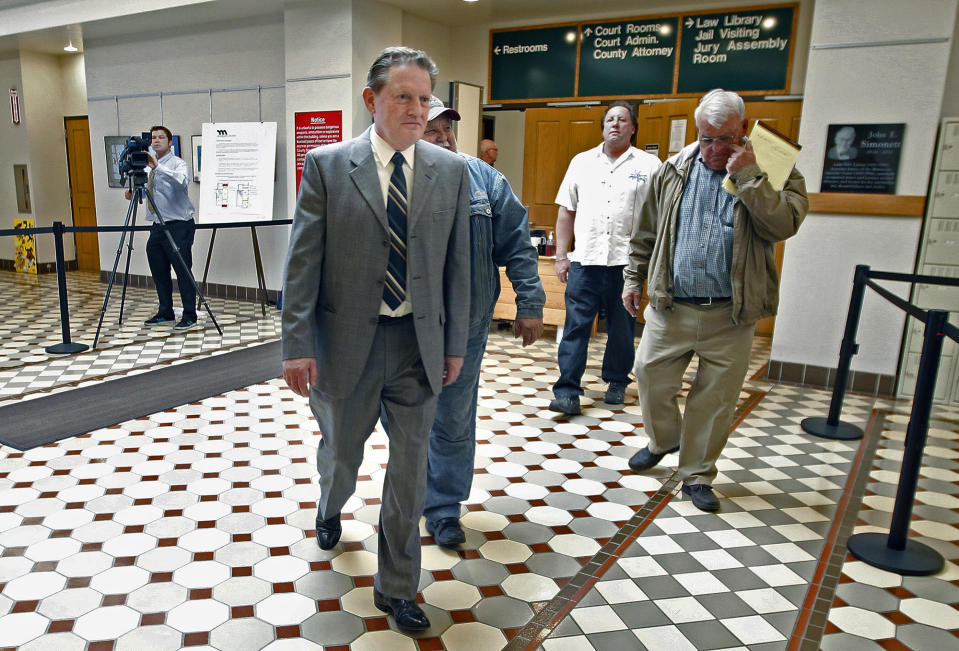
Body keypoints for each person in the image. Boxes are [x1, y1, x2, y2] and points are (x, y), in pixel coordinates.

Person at [281, 47, 470, 633]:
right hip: (346, 347)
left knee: (410, 469)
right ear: (372, 100)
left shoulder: (450, 172)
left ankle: (398, 587)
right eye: (403, 97)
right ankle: (328, 503)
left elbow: (458, 267)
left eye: (423, 99)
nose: (417, 110)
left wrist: (454, 342)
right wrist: (296, 344)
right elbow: (302, 264)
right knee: (343, 453)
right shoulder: (329, 166)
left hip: (418, 347)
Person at [622, 89, 808, 512]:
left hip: (731, 313)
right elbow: (645, 232)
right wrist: (634, 278)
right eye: (706, 138)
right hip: (672, 305)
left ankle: (697, 474)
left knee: (715, 399)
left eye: (723, 139)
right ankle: (665, 440)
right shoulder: (673, 168)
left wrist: (749, 177)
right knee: (649, 378)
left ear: (743, 129)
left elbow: (783, 224)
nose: (713, 149)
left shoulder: (774, 165)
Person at [418, 96, 545, 547]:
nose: (444, 139)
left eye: (448, 130)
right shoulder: (393, 179)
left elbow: (518, 244)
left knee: (453, 417)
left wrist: (530, 304)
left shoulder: (484, 179)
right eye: (432, 131)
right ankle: (406, 495)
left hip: (466, 327)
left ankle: (443, 507)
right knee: (405, 417)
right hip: (403, 327)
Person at [549, 101, 661, 416]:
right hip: (585, 260)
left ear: (633, 127)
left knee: (623, 327)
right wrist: (561, 256)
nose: (615, 124)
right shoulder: (581, 163)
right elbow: (565, 211)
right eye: (610, 119)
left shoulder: (650, 166)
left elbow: (660, 216)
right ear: (603, 126)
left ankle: (616, 381)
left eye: (622, 119)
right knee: (576, 327)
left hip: (627, 263)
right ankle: (568, 390)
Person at [128, 125, 197, 330]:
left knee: (183, 271)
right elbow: (153, 191)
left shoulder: (178, 164)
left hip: (179, 225)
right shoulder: (147, 167)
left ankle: (189, 314)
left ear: (169, 142)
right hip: (157, 226)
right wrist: (135, 194)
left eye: (161, 137)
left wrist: (158, 166)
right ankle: (165, 311)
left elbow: (180, 183)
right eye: (153, 138)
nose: (156, 141)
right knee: (159, 270)